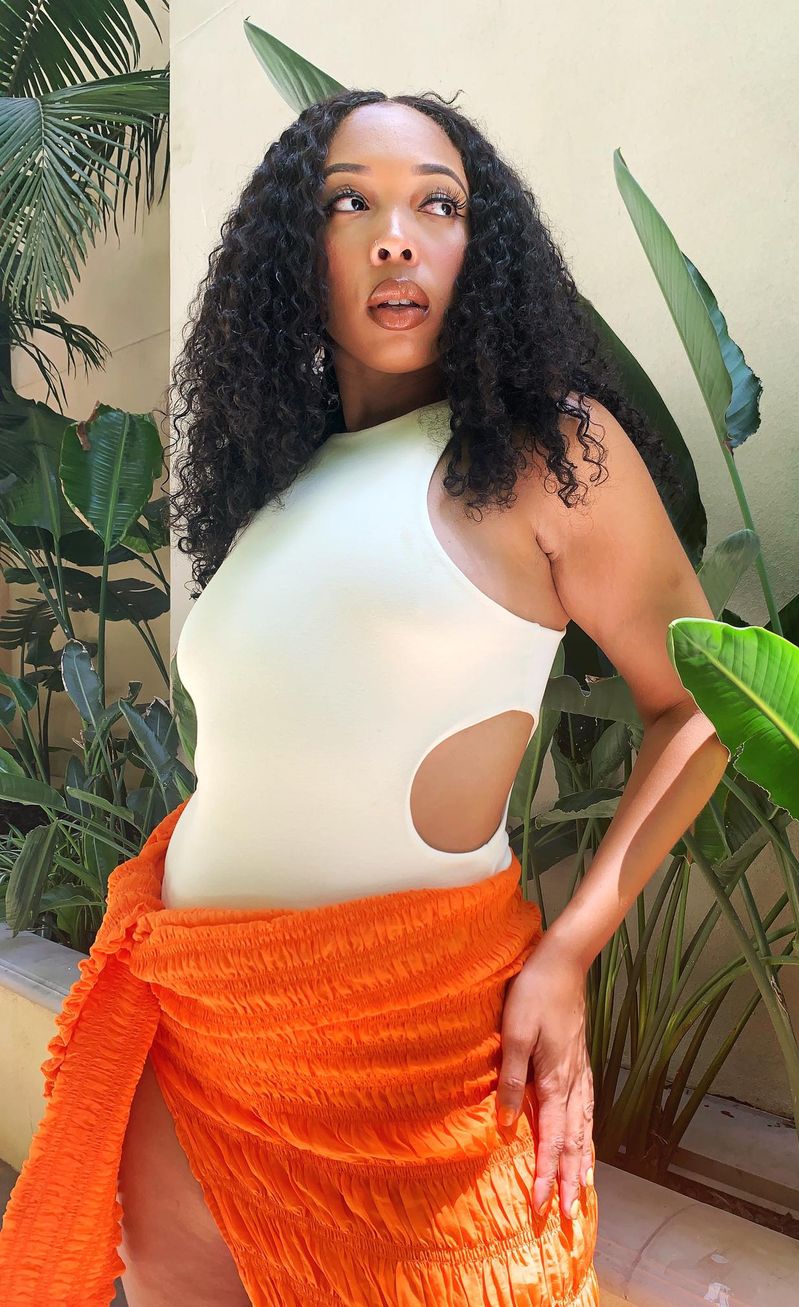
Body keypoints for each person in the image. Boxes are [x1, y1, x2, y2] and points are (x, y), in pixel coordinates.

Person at [0, 89, 729, 1307]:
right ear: (298, 254)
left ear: (479, 248)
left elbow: (700, 707)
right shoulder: (281, 485)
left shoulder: (546, 452)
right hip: (202, 1028)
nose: (397, 236)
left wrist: (569, 949)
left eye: (437, 204)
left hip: (415, 1045)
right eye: (351, 203)